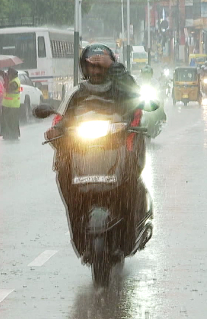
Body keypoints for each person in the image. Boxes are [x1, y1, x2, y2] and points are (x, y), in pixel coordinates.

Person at [45, 43, 148, 260]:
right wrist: (55, 131)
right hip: (84, 153)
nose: (96, 71)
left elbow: (138, 96)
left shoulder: (119, 88)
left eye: (101, 67)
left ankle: (130, 229)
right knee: (63, 169)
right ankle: (78, 227)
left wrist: (114, 66)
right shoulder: (77, 93)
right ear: (84, 67)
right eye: (92, 66)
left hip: (117, 151)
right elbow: (62, 120)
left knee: (130, 175)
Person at [0, 67, 21, 140]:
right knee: (6, 121)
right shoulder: (12, 79)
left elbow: (9, 89)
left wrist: (6, 83)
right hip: (7, 105)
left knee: (12, 121)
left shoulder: (15, 82)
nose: (8, 75)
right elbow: (3, 74)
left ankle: (13, 135)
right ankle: (7, 134)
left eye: (9, 74)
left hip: (13, 106)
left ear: (11, 75)